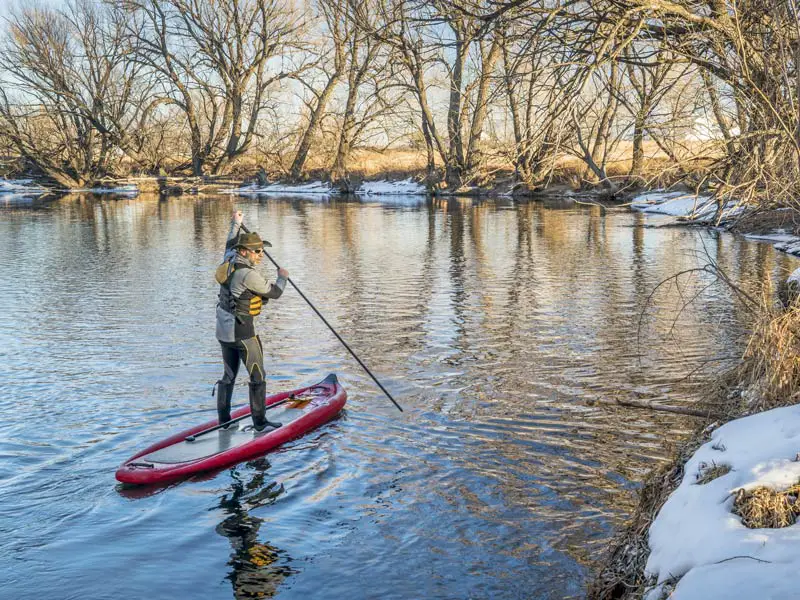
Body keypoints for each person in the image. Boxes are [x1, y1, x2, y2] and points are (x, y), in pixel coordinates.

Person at [214, 210, 289, 432]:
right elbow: (274, 293)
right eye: (257, 251)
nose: (261, 255)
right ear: (244, 252)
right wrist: (282, 277)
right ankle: (260, 423)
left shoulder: (228, 261)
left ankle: (224, 422)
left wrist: (235, 223)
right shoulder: (248, 275)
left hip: (223, 331)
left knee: (228, 375)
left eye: (262, 250)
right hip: (243, 333)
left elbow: (229, 243)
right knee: (258, 375)